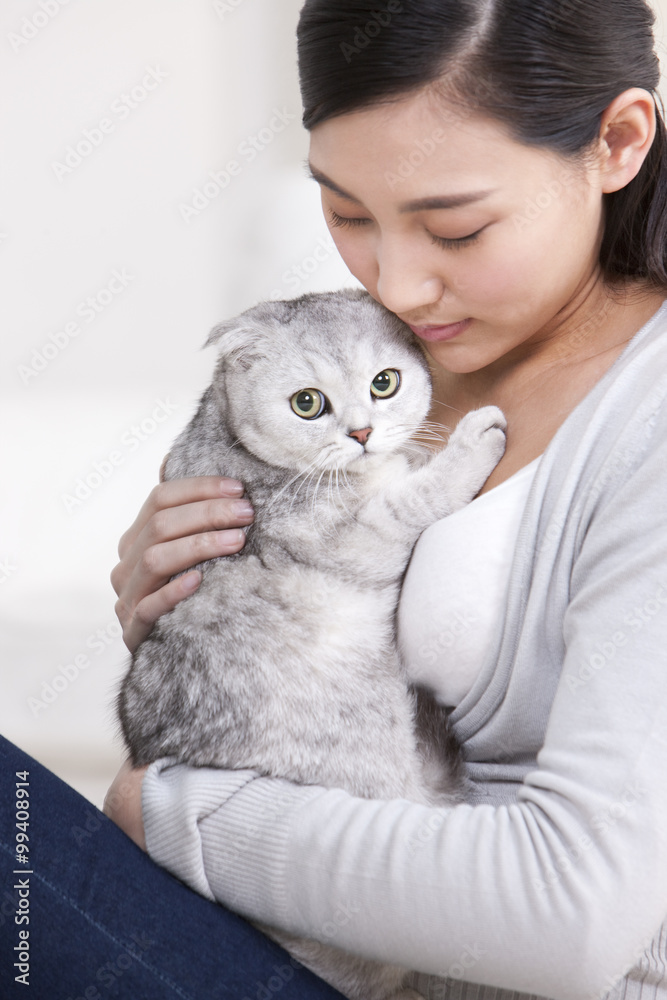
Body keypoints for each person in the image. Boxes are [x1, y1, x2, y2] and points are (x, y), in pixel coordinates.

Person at [30, 0, 667, 996]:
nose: (398, 286)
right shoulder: (396, 359)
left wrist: (176, 811)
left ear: (618, 141)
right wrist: (205, 613)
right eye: (347, 211)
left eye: (453, 226)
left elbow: (574, 916)